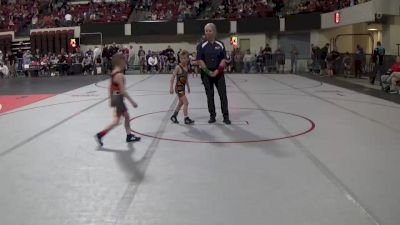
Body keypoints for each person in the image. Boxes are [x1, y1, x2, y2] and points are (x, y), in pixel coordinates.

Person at [95, 54, 141, 146]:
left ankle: (128, 136)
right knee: (118, 120)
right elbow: (123, 91)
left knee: (123, 118)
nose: (125, 64)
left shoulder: (113, 73)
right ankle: (100, 134)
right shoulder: (119, 75)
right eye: (124, 62)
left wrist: (111, 99)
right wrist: (132, 102)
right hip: (119, 98)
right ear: (120, 62)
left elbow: (110, 87)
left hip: (116, 98)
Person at [197, 23, 230, 124]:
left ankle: (226, 116)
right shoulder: (201, 46)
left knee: (223, 95)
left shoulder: (220, 44)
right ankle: (212, 115)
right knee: (209, 95)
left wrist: (217, 71)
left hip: (218, 73)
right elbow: (199, 60)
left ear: (214, 32)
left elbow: (223, 60)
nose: (208, 32)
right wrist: (208, 71)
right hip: (206, 74)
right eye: (206, 31)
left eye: (210, 30)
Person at [169, 50, 195, 125]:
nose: (183, 60)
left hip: (182, 87)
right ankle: (186, 118)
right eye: (181, 58)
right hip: (179, 88)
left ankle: (174, 116)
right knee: (186, 102)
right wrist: (171, 88)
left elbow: (185, 78)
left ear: (188, 59)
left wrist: (188, 86)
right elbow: (172, 78)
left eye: (185, 58)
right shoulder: (178, 67)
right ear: (179, 59)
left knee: (181, 103)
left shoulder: (187, 67)